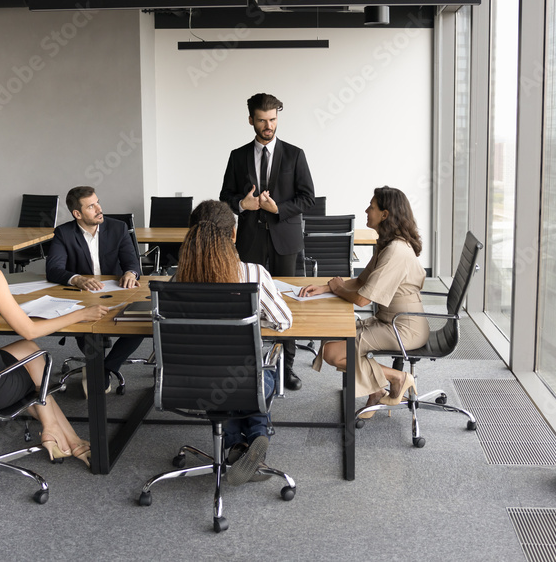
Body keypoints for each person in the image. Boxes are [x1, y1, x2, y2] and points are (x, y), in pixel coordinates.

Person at [0, 204, 110, 466]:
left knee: (29, 349)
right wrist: (81, 315)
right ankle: (59, 433)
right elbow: (28, 328)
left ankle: (63, 434)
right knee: (36, 358)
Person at [174, 199, 293, 485]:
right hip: (245, 380)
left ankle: (234, 447)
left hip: (189, 381)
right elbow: (283, 321)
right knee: (247, 375)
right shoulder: (253, 274)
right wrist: (254, 320)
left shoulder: (177, 279)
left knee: (221, 378)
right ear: (233, 234)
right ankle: (256, 437)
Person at [302, 186, 427, 419]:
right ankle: (377, 390)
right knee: (331, 335)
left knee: (333, 352)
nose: (366, 210)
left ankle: (397, 378)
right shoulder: (387, 244)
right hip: (389, 321)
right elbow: (361, 280)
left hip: (403, 328)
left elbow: (361, 298)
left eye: (372, 206)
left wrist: (338, 288)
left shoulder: (396, 251)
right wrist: (326, 287)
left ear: (385, 214)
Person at [219, 92, 314, 390]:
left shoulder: (295, 154)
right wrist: (241, 205)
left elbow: (307, 198)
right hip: (249, 240)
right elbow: (225, 197)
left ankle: (287, 367)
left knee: (286, 301)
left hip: (285, 239)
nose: (268, 125)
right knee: (247, 301)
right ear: (251, 120)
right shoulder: (238, 156)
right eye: (262, 120)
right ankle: (249, 364)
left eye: (273, 119)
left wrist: (280, 209)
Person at [45, 186, 142, 397]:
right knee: (84, 326)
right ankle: (99, 365)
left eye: (98, 202)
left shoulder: (118, 228)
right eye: (91, 206)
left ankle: (104, 368)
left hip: (118, 293)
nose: (99, 209)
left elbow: (132, 262)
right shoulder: (64, 233)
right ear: (77, 214)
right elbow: (53, 269)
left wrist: (131, 273)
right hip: (83, 296)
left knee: (141, 323)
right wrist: (76, 278)